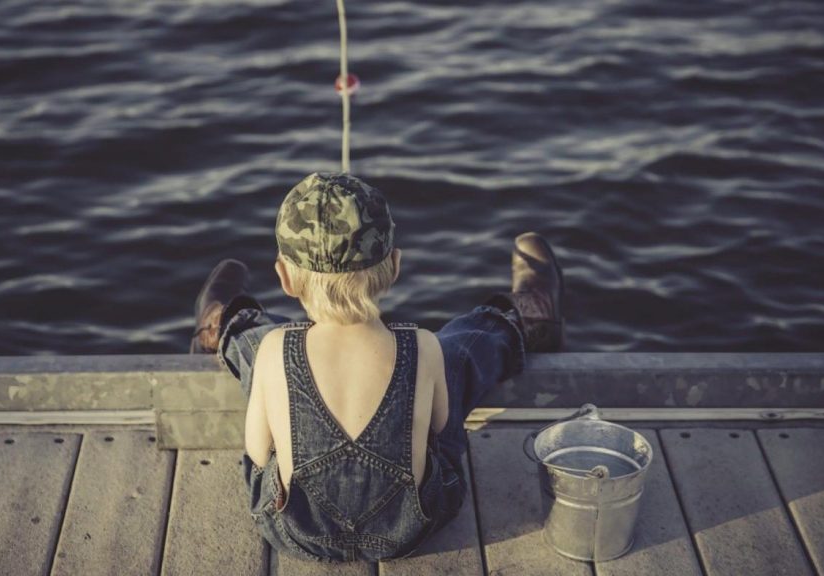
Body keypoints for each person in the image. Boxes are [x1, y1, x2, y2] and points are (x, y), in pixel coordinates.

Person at [188, 172, 564, 562]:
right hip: (411, 528)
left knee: (261, 350)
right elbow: (440, 428)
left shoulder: (274, 348)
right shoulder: (423, 346)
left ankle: (227, 324)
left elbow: (259, 453)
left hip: (297, 531)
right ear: (395, 266)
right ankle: (519, 320)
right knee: (453, 357)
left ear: (284, 277)